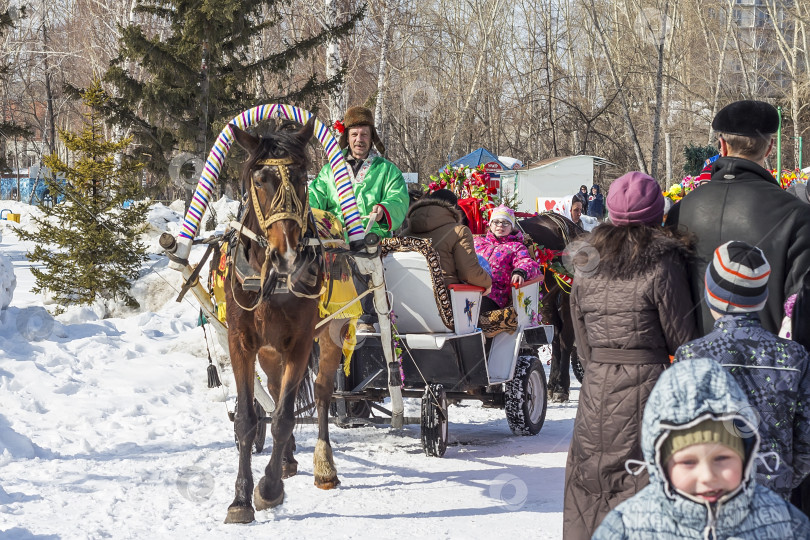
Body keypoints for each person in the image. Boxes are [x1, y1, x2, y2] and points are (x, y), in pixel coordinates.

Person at [564, 171, 698, 540]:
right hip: (648, 382)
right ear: (657, 212)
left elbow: (581, 334)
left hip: (596, 385)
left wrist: (598, 368)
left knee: (591, 478)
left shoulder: (587, 261)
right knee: (642, 477)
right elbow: (681, 338)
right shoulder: (662, 261)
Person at [593, 358, 810, 539]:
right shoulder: (626, 527)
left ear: (746, 456)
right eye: (688, 462)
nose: (707, 476)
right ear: (659, 463)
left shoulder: (785, 522)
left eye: (722, 458)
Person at [674, 240, 810, 501]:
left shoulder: (691, 357)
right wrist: (782, 479)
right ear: (763, 296)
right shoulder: (794, 357)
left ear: (709, 292)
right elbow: (806, 442)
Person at [666, 100, 810, 336]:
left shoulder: (680, 211)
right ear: (769, 148)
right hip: (770, 367)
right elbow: (801, 309)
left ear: (721, 146)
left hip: (695, 363)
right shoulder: (797, 215)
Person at [308, 106, 409, 240]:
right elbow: (314, 197)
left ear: (372, 137)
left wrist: (384, 210)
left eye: (364, 134)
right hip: (334, 242)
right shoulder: (330, 171)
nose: (359, 139)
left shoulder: (388, 170)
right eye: (354, 134)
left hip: (374, 242)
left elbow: (399, 199)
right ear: (347, 138)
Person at [401, 189, 492, 292]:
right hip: (447, 297)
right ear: (454, 208)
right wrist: (487, 283)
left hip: (408, 292)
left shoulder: (404, 233)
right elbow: (469, 272)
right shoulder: (459, 231)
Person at [474, 205, 540, 313]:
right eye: (496, 222)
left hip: (494, 294)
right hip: (470, 287)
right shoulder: (477, 242)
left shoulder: (516, 247)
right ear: (490, 225)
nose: (500, 225)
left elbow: (527, 262)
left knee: (475, 307)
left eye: (505, 222)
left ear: (511, 227)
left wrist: (520, 272)